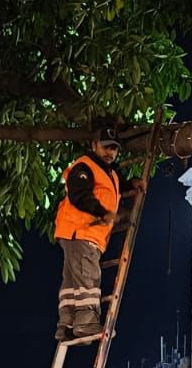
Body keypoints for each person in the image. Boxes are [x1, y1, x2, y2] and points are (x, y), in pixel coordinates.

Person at [53, 130, 144, 341]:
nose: (110, 152)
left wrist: (133, 183)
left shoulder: (109, 173)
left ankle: (66, 325)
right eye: (106, 147)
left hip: (83, 233)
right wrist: (104, 213)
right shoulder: (84, 167)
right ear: (94, 145)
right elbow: (79, 196)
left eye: (114, 148)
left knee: (71, 282)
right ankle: (86, 324)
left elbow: (116, 183)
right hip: (81, 232)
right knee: (88, 277)